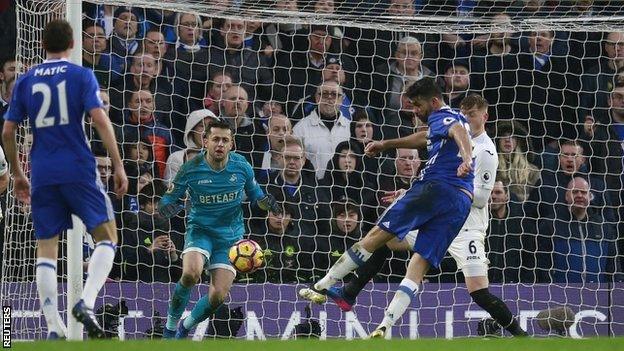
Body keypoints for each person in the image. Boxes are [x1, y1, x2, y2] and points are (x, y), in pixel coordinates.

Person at [319, 95, 529, 337]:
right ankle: (350, 292)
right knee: (388, 237)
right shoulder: (452, 140)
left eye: (472, 115)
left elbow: (481, 199)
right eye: (464, 114)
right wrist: (413, 193)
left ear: (485, 117)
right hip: (439, 217)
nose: (467, 119)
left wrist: (452, 191)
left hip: (466, 228)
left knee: (478, 291)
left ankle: (521, 336)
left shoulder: (486, 151)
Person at [297, 77, 474, 338]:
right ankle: (385, 325)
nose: (414, 111)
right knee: (419, 262)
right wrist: (387, 144)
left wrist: (468, 158)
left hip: (436, 186)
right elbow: (424, 137)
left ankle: (323, 286)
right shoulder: (450, 120)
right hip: (461, 203)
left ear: (434, 101)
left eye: (417, 105)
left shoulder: (444, 116)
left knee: (376, 236)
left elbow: (455, 130)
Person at [2, 20, 128, 339]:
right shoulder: (81, 74)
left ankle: (53, 328)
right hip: (78, 168)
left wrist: (18, 173)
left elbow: (7, 131)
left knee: (46, 248)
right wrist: (118, 164)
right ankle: (85, 302)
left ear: (41, 44)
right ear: (72, 43)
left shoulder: (26, 80)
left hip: (42, 172)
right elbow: (99, 119)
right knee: (107, 237)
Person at [158, 120, 281, 339]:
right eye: (215, 139)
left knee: (217, 297)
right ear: (205, 141)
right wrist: (168, 207)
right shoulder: (190, 169)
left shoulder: (241, 166)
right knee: (190, 274)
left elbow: (257, 198)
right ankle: (169, 328)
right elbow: (167, 200)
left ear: (232, 144)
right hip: (200, 231)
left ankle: (185, 327)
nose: (220, 144)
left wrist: (267, 203)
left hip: (230, 238)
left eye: (225, 140)